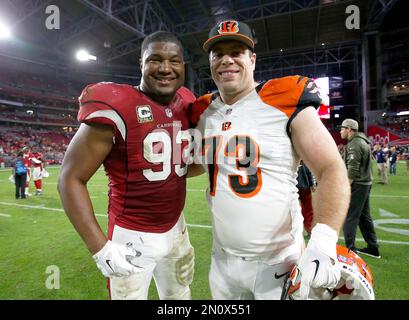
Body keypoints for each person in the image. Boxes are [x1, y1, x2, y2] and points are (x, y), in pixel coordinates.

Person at [190, 20, 350, 300]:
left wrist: (323, 240)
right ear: (210, 61)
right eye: (218, 54)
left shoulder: (284, 99)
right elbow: (197, 164)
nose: (226, 60)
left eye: (236, 52)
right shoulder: (203, 110)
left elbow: (331, 168)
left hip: (279, 262)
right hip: (222, 261)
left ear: (252, 59)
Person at [58, 31, 196, 300]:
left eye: (174, 61)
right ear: (141, 63)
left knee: (179, 297)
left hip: (177, 227)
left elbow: (181, 165)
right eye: (155, 59)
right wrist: (100, 248)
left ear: (183, 66)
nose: (165, 68)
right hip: (132, 235)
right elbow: (70, 178)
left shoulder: (186, 102)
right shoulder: (118, 104)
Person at [340, 119, 381, 259]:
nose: (340, 131)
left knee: (350, 217)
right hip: (365, 183)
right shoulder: (361, 141)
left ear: (349, 129)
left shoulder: (355, 144)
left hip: (358, 184)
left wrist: (345, 188)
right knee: (364, 216)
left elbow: (352, 171)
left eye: (342, 128)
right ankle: (373, 247)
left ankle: (350, 250)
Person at [296, 161, 316, 237]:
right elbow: (309, 172)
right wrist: (312, 184)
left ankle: (291, 231)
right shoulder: (305, 160)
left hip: (293, 186)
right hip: (305, 186)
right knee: (308, 210)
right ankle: (309, 230)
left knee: (290, 209)